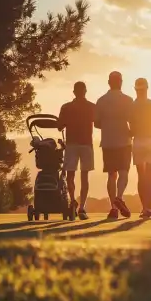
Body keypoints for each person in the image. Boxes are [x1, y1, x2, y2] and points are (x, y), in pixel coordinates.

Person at [94, 71, 134, 220]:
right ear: (121, 82)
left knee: (112, 174)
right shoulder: (128, 100)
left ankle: (113, 208)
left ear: (109, 82)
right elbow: (132, 120)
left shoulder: (101, 100)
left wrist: (107, 125)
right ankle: (119, 197)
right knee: (124, 172)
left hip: (108, 141)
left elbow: (96, 123)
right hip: (124, 140)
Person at [58, 81, 95, 220]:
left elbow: (59, 126)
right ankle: (82, 207)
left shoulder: (66, 107)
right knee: (84, 176)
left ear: (74, 92)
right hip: (86, 144)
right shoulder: (92, 107)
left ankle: (73, 201)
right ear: (85, 91)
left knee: (70, 175)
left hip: (72, 144)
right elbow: (97, 123)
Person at [130, 77, 151, 219]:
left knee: (141, 175)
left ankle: (144, 208)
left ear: (135, 89)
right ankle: (148, 207)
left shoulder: (132, 105)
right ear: (147, 88)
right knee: (149, 175)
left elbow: (130, 124)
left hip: (138, 140)